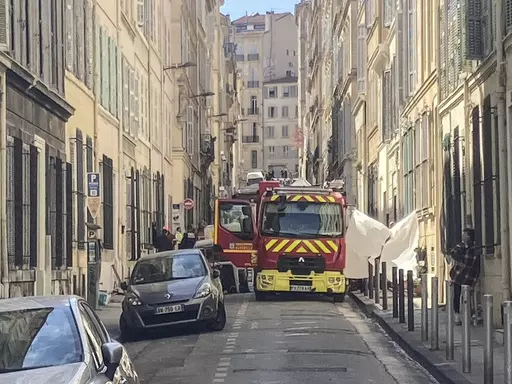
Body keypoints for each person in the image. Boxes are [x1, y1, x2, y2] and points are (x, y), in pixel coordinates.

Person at [449, 227, 480, 325]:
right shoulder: (460, 246)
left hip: (468, 276)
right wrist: (460, 260)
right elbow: (453, 253)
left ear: (469, 236)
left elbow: (476, 265)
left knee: (467, 297)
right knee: (458, 295)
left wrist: (474, 281)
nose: (463, 236)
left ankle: (469, 315)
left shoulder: (475, 249)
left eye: (465, 234)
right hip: (460, 276)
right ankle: (457, 315)